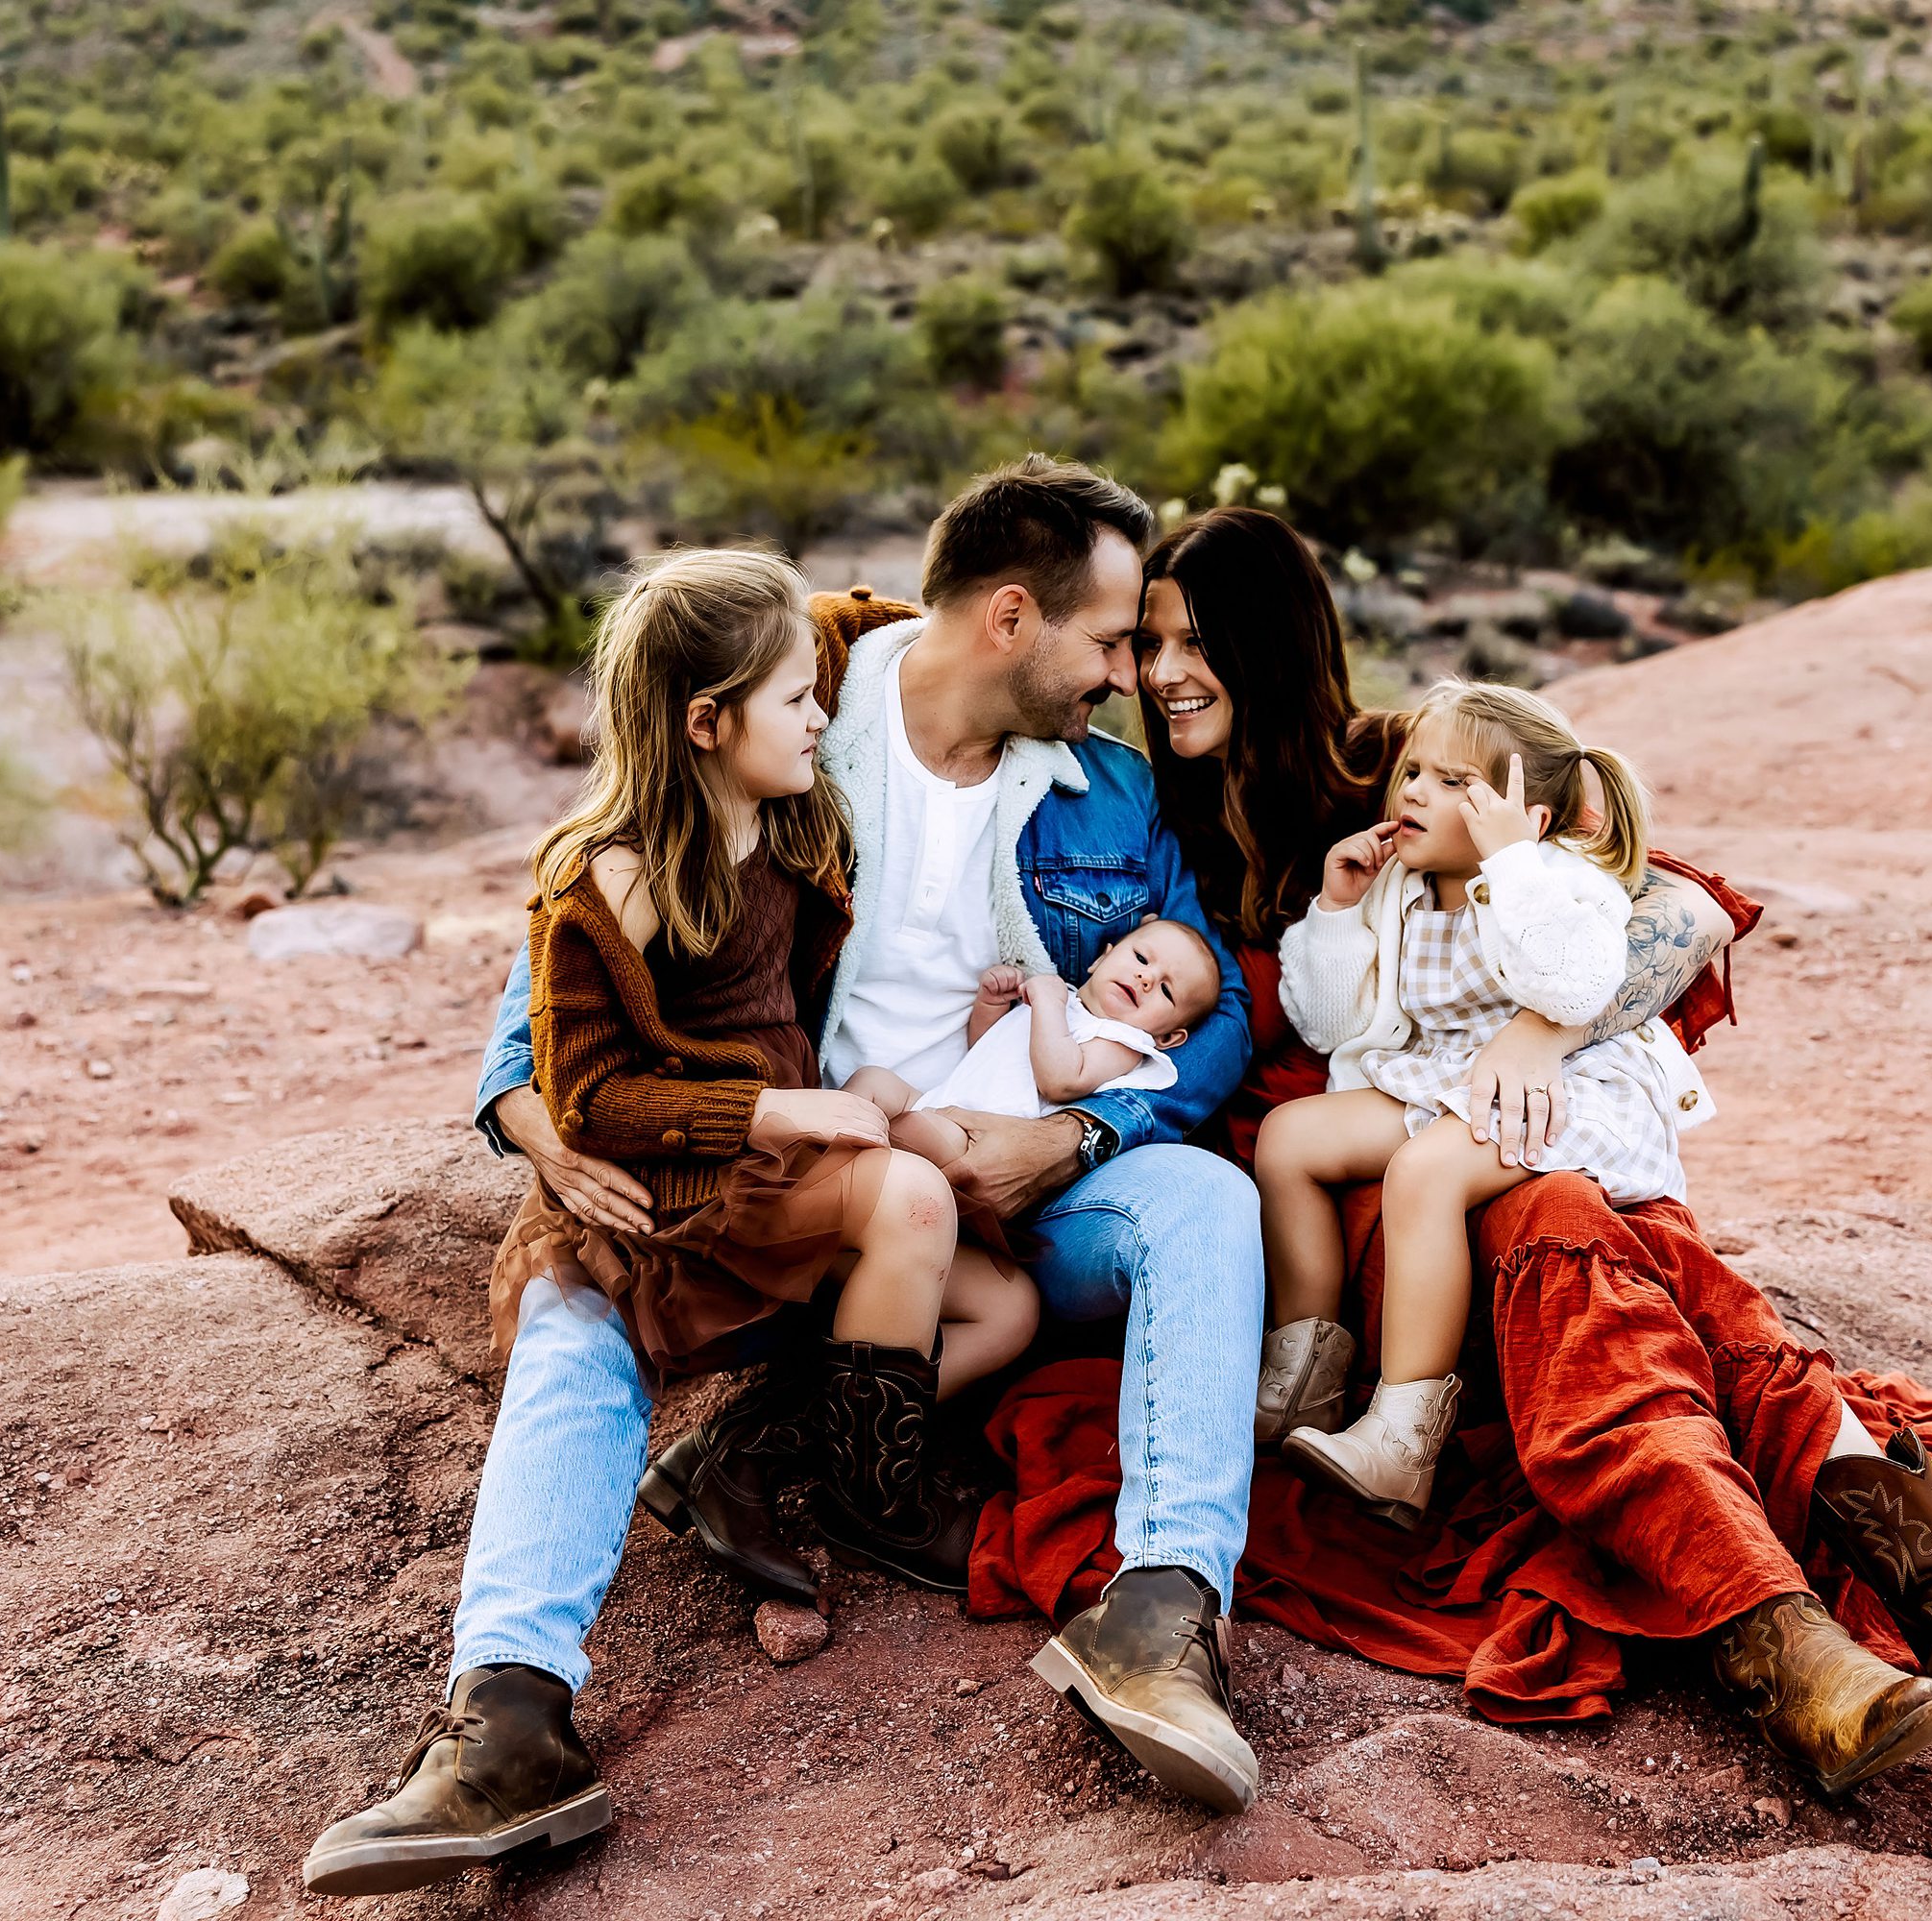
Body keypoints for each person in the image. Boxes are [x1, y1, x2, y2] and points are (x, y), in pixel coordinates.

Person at [1137, 505, 1932, 1803]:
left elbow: (1671, 905)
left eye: (1189, 638)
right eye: (1141, 643)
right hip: (1360, 1189)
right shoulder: (1144, 820)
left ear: (1268, 640)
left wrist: (1540, 1036)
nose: (1157, 672)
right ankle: (1788, 1649)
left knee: (1676, 1290)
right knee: (1575, 1255)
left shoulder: (1406, 763)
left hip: (1496, 1125)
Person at [432, 458, 1271, 1843]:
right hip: (781, 1177)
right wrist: (530, 1112)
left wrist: (1075, 1131)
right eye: (1112, 638)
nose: (1128, 675)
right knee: (577, 1294)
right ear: (1011, 617)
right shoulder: (791, 688)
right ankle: (505, 1719)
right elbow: (582, 914)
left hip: (993, 1191)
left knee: (1203, 1202)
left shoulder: (1110, 796)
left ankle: (1164, 1617)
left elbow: (1219, 999)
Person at [300, 551, 1036, 1899]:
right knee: (579, 1327)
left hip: (773, 1175)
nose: (821, 713)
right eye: (793, 698)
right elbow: (574, 1079)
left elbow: (882, 624)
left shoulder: (798, 761)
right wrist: (759, 1113)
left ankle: (762, 1464)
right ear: (707, 719)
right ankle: (508, 1720)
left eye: (822, 692)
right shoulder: (610, 870)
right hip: (678, 1175)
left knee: (1000, 1300)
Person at [1258, 682, 1705, 1527]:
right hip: (1440, 1082)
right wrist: (1338, 910)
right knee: (1289, 1140)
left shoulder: (1564, 882)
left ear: (1530, 819)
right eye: (1415, 771)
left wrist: (1512, 867)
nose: (1416, 791)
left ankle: (1401, 1436)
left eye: (1458, 782)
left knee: (1426, 1175)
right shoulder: (1397, 886)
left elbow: (1572, 988)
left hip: (1560, 1091)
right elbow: (1328, 1023)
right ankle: (1302, 1376)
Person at [846, 916, 1221, 1176]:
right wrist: (992, 1006)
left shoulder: (1123, 1041)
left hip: (981, 1142)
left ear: (1167, 1038)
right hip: (945, 1102)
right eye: (1141, 958)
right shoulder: (1064, 1001)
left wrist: (1047, 1003)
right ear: (1101, 959)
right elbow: (987, 1051)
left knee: (906, 1130)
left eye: (1166, 990)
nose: (1145, 977)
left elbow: (1060, 1080)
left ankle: (843, 1186)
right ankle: (807, 1161)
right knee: (872, 1082)